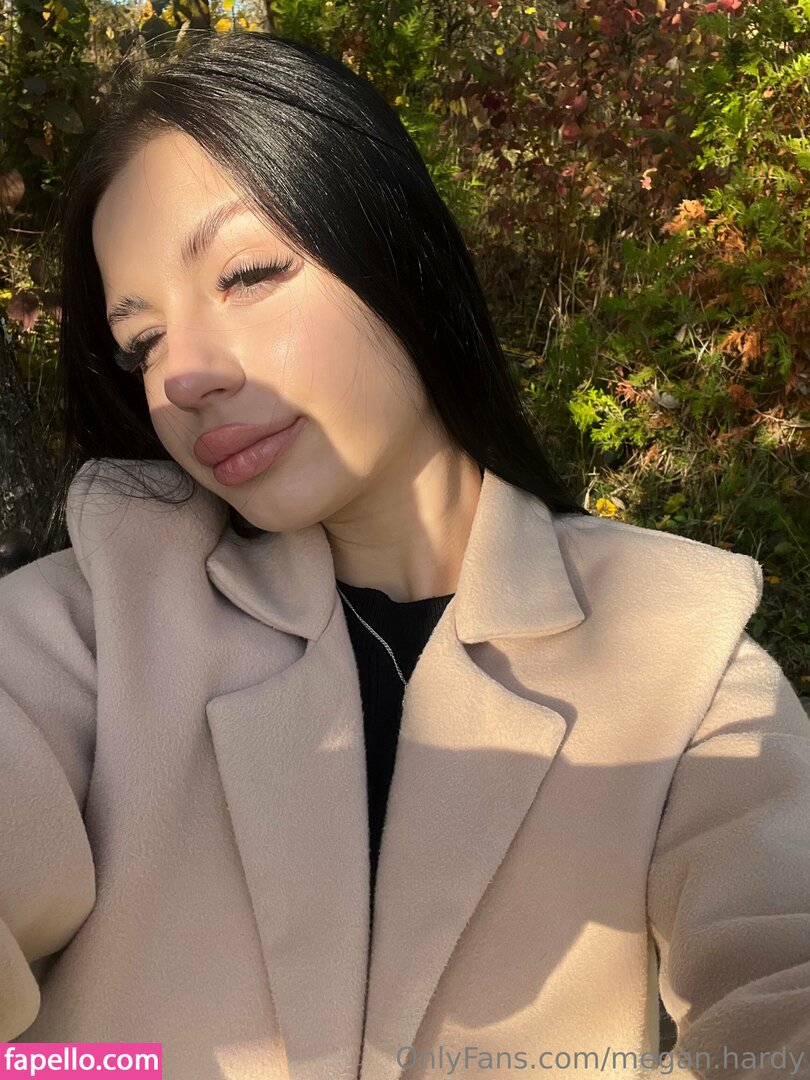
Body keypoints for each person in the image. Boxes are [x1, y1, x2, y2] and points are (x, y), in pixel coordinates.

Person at [1, 29, 808, 1080]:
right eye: (142, 341)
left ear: (396, 248)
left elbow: (782, 983)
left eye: (246, 273)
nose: (183, 375)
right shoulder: (93, 622)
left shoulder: (677, 643)